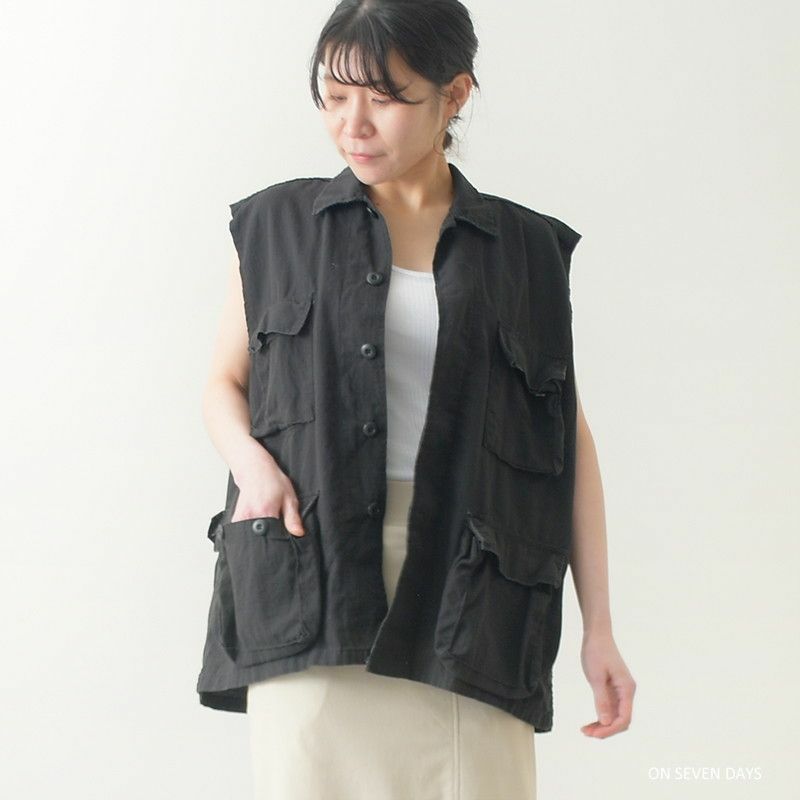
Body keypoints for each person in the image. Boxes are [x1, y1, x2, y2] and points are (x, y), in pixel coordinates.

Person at [199, 1, 635, 797]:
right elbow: (224, 385)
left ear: (454, 94)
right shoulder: (275, 227)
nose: (353, 125)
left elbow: (567, 442)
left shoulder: (526, 252)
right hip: (312, 573)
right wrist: (253, 469)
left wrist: (598, 628)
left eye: (385, 98)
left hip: (472, 588)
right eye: (334, 97)